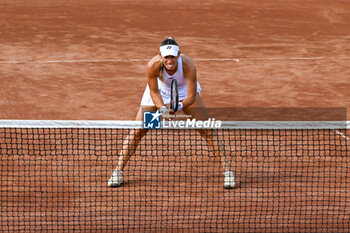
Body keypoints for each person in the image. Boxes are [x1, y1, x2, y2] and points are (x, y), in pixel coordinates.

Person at [108, 37, 236, 189]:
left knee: (207, 130)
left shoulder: (188, 65)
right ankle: (118, 171)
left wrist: (178, 106)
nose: (170, 60)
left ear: (179, 55)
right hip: (158, 95)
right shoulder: (152, 65)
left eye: (173, 56)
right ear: (161, 56)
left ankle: (228, 172)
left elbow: (192, 95)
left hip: (184, 94)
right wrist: (162, 108)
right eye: (166, 57)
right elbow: (154, 91)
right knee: (138, 131)